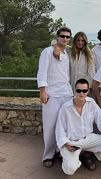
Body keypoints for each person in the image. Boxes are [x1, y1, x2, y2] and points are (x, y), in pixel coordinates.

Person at [55, 79, 101, 175]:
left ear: (88, 91)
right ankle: (70, 157)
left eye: (84, 91)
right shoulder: (65, 108)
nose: (81, 93)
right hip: (72, 142)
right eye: (79, 91)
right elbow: (59, 129)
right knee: (70, 170)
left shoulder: (91, 103)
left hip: (88, 138)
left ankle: (86, 154)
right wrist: (66, 144)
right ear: (75, 91)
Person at [37, 26, 74, 168]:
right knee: (50, 125)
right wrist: (42, 91)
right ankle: (48, 155)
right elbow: (42, 72)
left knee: (64, 125)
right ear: (57, 36)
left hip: (66, 93)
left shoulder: (66, 53)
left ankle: (60, 151)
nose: (65, 38)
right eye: (62, 36)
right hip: (51, 94)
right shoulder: (48, 51)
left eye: (67, 36)